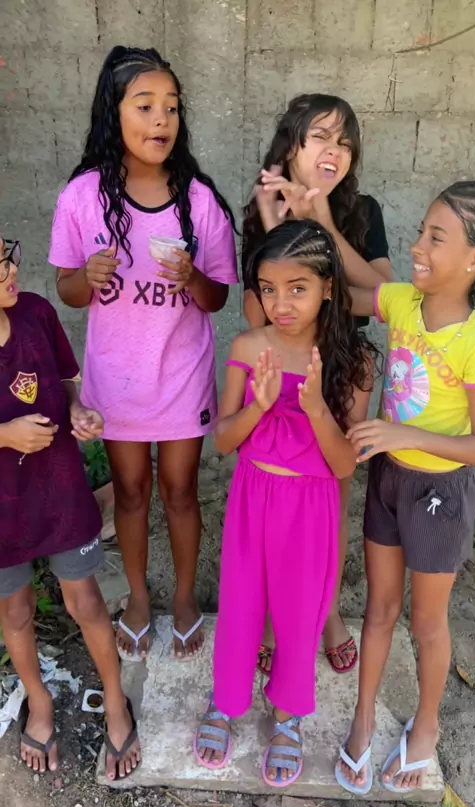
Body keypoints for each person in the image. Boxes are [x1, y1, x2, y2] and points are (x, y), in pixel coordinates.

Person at [49, 46, 238, 663]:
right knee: (130, 492)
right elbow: (67, 290)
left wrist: (191, 278)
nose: (162, 120)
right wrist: (88, 277)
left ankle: (182, 598)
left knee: (180, 491)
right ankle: (136, 596)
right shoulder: (82, 197)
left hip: (180, 376)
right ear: (115, 113)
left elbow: (216, 297)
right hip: (118, 379)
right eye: (145, 105)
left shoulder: (199, 201)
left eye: (172, 108)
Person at [193, 220, 377, 788]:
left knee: (300, 613)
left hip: (311, 507)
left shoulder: (354, 361)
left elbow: (344, 465)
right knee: (241, 603)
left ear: (328, 287)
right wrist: (259, 405)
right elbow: (223, 442)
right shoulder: (249, 347)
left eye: (298, 288)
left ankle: (289, 715)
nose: (281, 304)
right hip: (253, 496)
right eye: (269, 290)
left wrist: (316, 407)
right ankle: (225, 701)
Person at [335, 180, 475, 795]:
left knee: (426, 623)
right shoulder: (402, 302)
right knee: (379, 609)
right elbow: (344, 286)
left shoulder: (474, 340)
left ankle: (426, 727)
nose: (417, 246)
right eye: (421, 231)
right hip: (389, 479)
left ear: (474, 260)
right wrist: (315, 217)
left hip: (441, 493)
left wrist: (401, 433)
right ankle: (364, 717)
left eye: (435, 237)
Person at [242, 93, 392, 677]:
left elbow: (380, 298)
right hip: (282, 372)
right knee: (278, 499)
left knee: (334, 496)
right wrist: (277, 231)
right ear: (291, 147)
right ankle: (273, 618)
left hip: (345, 369)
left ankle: (326, 612)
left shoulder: (364, 211)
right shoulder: (261, 210)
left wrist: (325, 223)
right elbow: (257, 317)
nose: (335, 150)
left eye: (345, 142)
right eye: (321, 137)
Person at [0, 238, 141, 780]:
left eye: (8, 255)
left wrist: (79, 410)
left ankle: (115, 701)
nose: (11, 269)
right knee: (14, 611)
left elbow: (64, 381)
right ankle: (38, 701)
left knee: (86, 602)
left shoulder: (36, 312)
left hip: (58, 488)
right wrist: (5, 435)